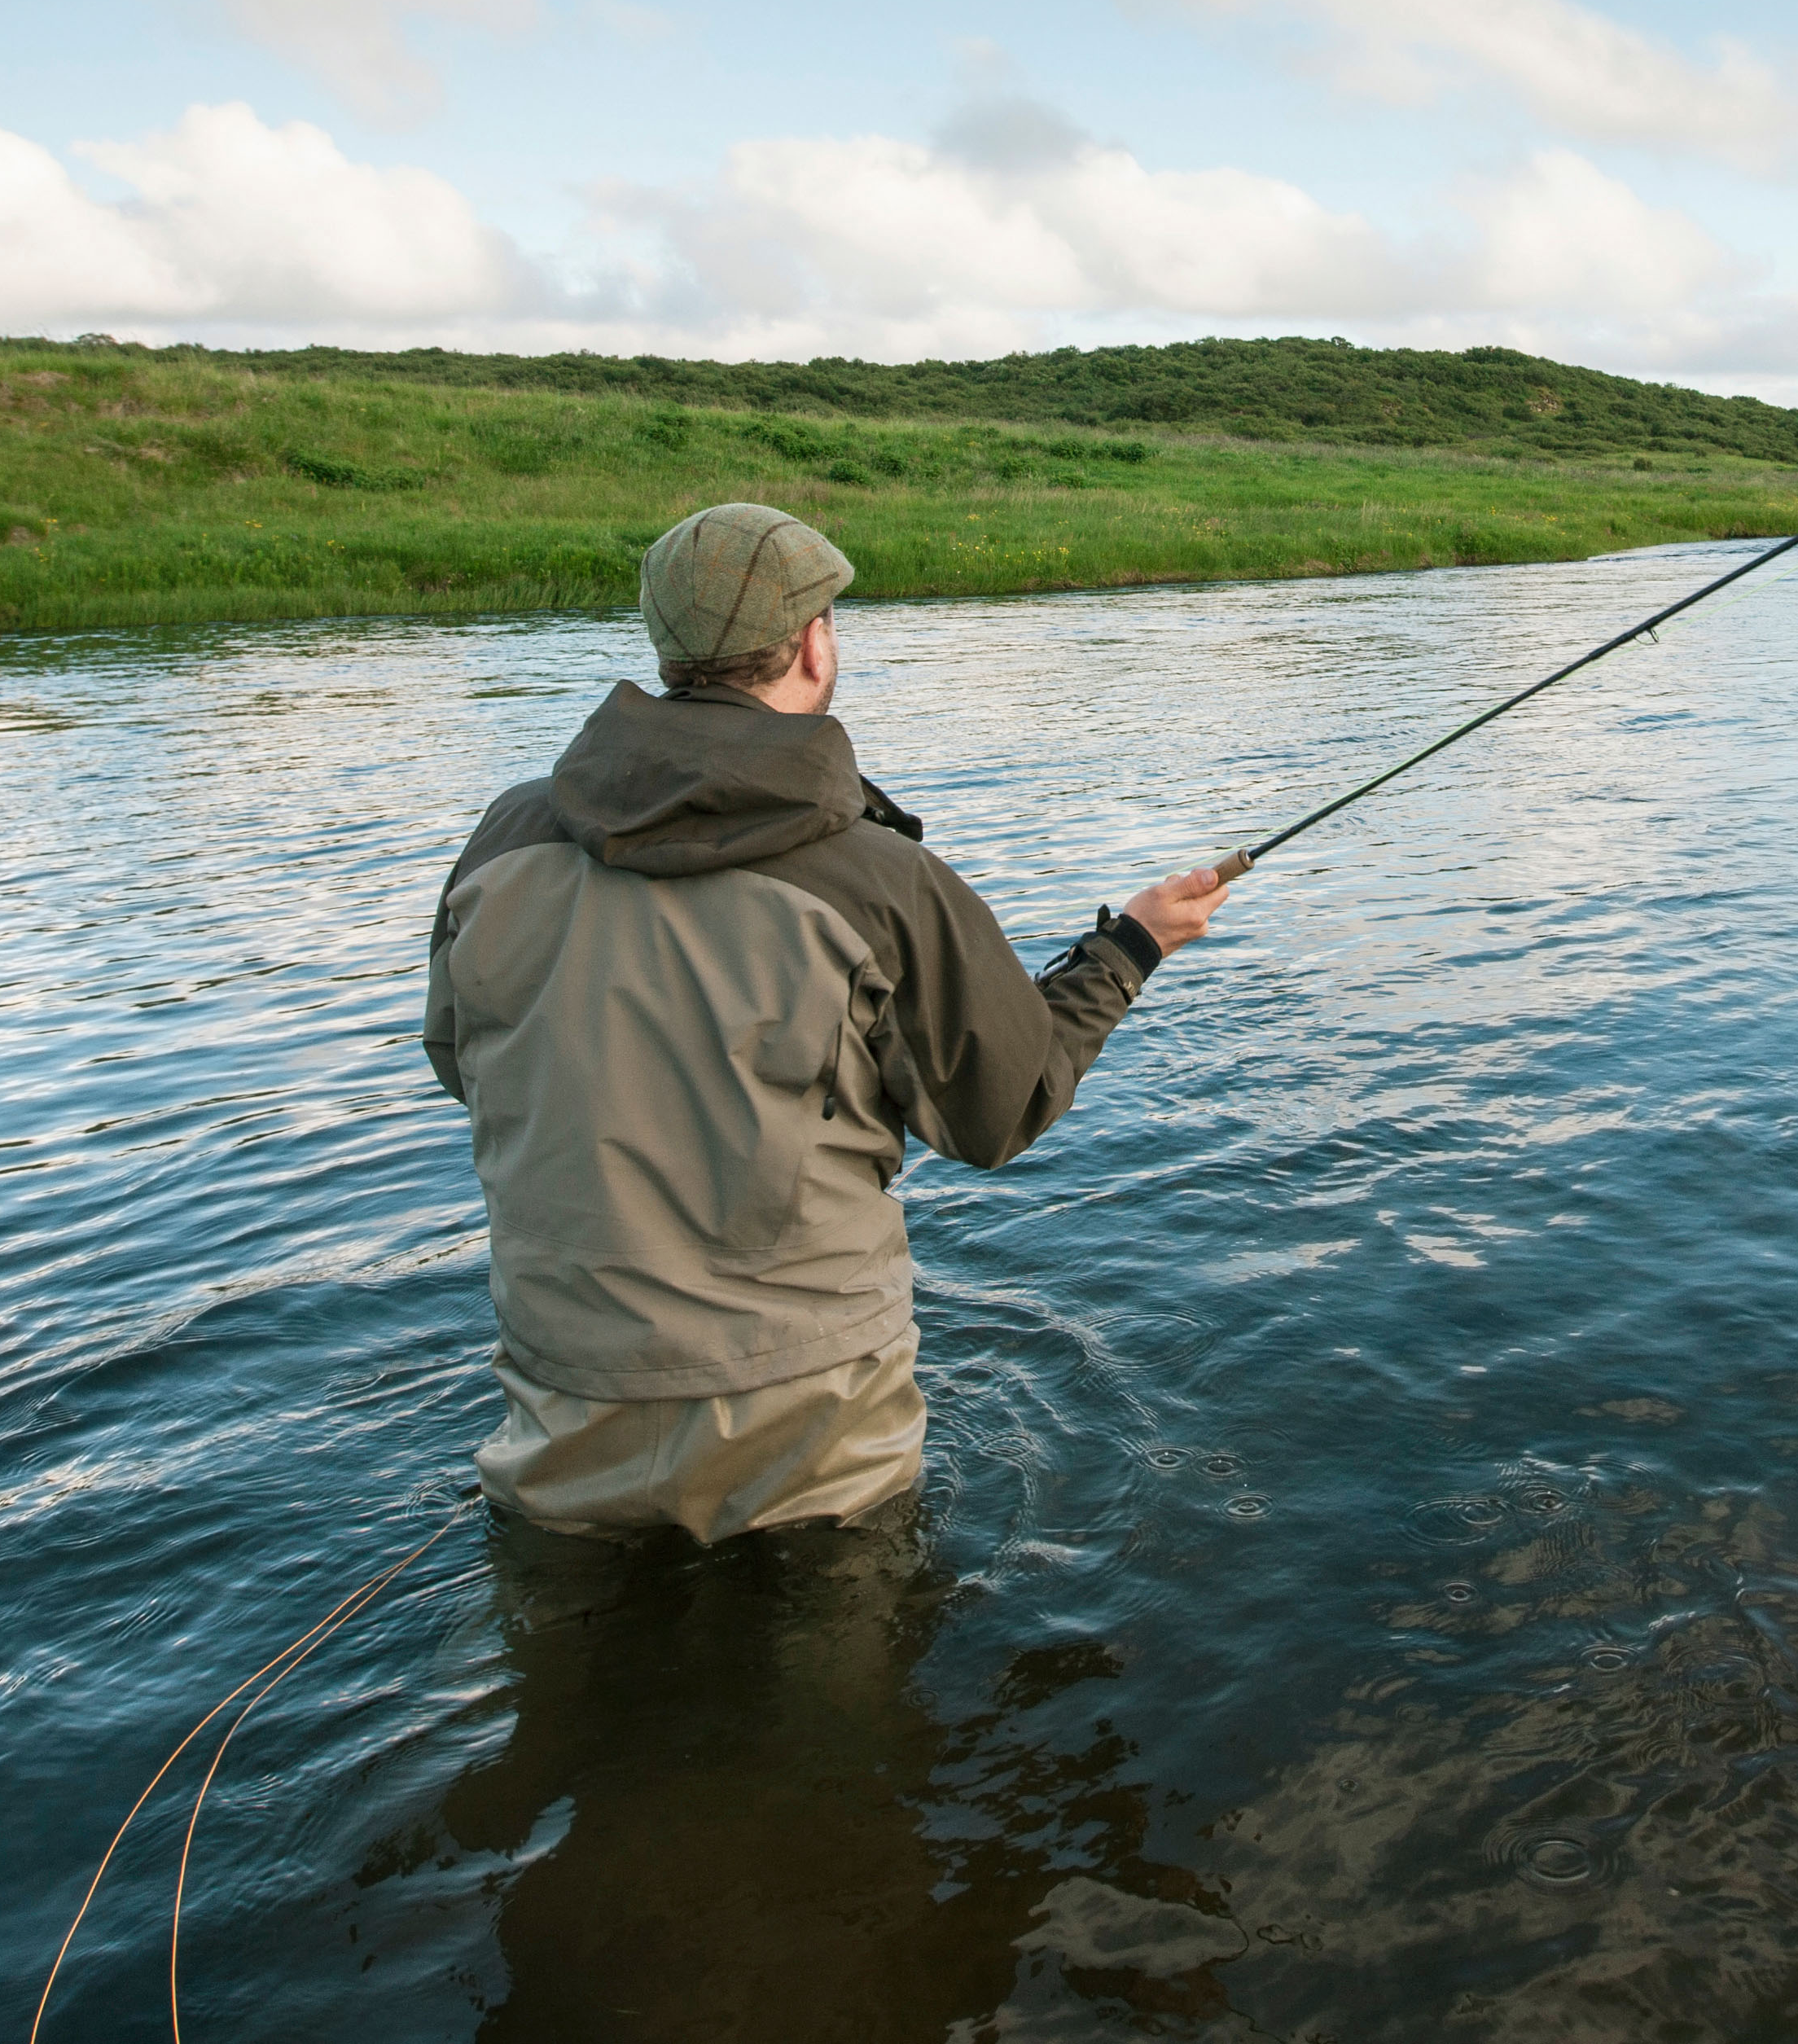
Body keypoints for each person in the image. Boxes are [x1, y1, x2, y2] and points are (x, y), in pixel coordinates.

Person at [421, 501, 1227, 1544]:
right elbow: (1003, 1110)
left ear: (670, 649)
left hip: (563, 1412)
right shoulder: (881, 878)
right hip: (813, 1437)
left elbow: (460, 1058)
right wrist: (1130, 949)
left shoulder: (503, 840)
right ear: (813, 642)